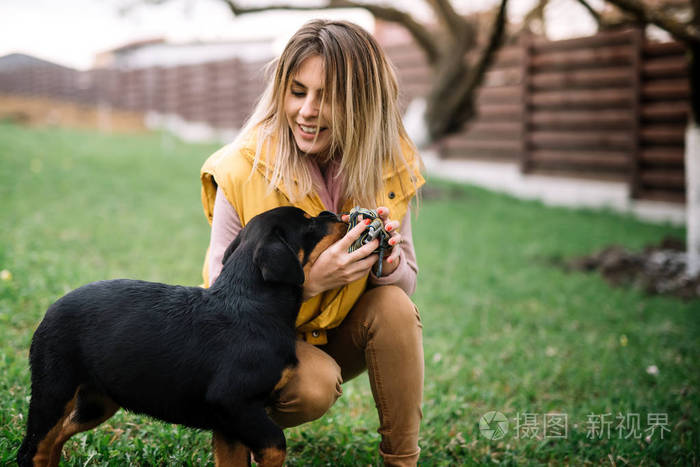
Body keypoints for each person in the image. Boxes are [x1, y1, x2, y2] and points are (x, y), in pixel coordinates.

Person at [199, 19, 425, 466]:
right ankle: (239, 421)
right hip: (254, 348)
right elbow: (219, 302)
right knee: (312, 385)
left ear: (363, 102)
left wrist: (388, 262)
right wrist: (310, 282)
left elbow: (407, 281)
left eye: (329, 97)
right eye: (298, 91)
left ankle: (403, 461)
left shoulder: (387, 164)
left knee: (396, 308)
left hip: (336, 332)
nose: (307, 110)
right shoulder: (242, 168)